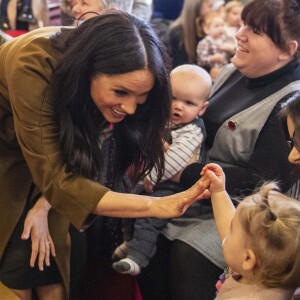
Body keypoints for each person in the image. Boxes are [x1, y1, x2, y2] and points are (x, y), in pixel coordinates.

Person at [0, 11, 209, 300]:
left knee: (56, 259)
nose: (131, 109)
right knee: (19, 258)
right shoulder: (33, 63)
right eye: (121, 92)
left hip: (54, 163)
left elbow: (63, 170)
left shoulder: (96, 65)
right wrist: (155, 205)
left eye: (141, 98)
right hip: (9, 155)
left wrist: (45, 202)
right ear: (88, 69)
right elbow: (57, 177)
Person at [137, 0, 300, 299]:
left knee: (187, 251)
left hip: (245, 210)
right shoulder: (231, 71)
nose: (240, 34)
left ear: (287, 50)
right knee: (142, 229)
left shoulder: (290, 102)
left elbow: (263, 185)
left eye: (255, 31)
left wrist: (181, 173)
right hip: (197, 188)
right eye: (243, 24)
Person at [111, 64, 211, 276]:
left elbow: (177, 158)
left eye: (188, 103)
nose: (178, 106)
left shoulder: (192, 130)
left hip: (172, 187)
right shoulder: (166, 120)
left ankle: (138, 257)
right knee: (128, 204)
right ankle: (130, 242)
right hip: (154, 177)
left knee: (149, 217)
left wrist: (152, 176)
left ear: (202, 108)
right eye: (173, 98)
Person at [200, 163, 300, 299]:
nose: (227, 231)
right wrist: (219, 192)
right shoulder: (258, 269)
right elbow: (228, 221)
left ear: (248, 258)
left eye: (231, 230)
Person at [165, 0, 214, 68]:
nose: (212, 11)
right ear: (197, 7)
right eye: (210, 6)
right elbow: (179, 64)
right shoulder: (177, 32)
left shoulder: (207, 27)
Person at [196, 11, 234, 79]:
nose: (220, 28)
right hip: (211, 74)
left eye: (222, 25)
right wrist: (212, 58)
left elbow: (232, 54)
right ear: (207, 29)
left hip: (225, 71)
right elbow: (201, 60)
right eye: (216, 26)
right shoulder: (205, 43)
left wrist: (230, 49)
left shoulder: (225, 40)